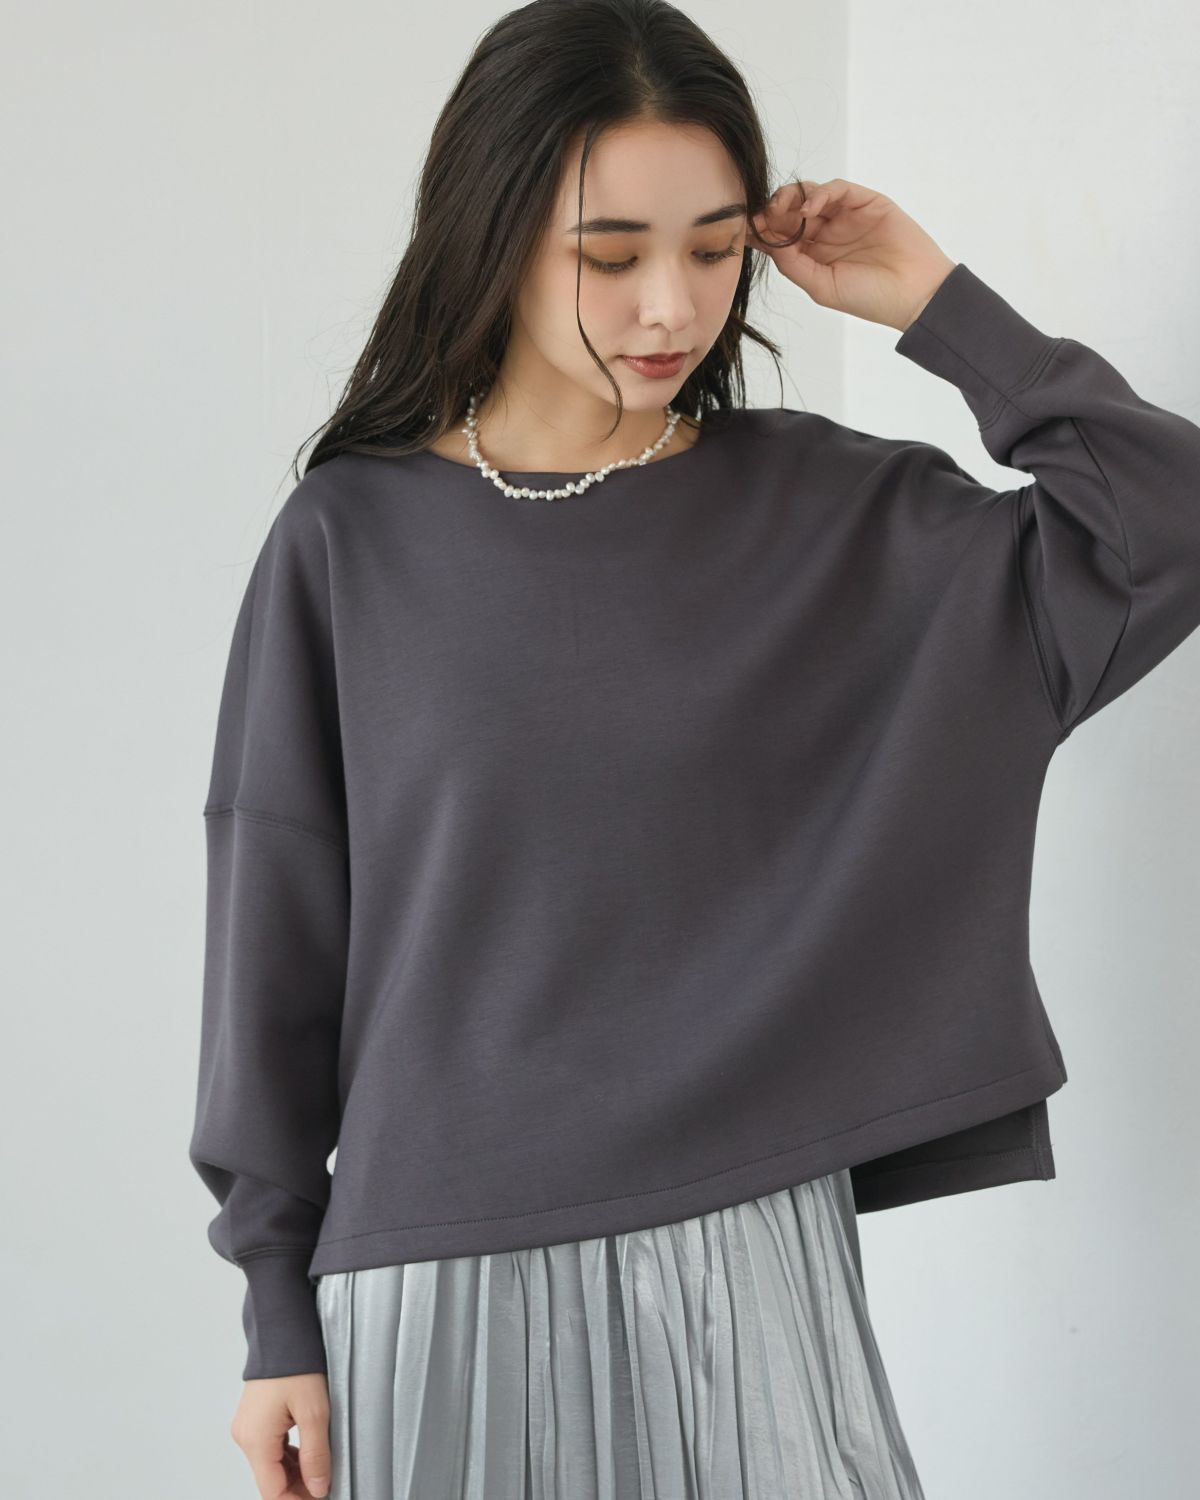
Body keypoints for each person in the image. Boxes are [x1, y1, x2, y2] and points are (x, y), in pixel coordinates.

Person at [189, 2, 1200, 1497]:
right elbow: (277, 927)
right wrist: (274, 1304)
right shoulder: (351, 540)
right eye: (609, 257)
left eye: (716, 249)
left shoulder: (834, 519)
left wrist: (936, 301)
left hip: (752, 1259)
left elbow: (1162, 525)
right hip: (439, 1278)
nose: (670, 306)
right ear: (490, 235)